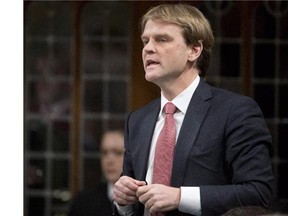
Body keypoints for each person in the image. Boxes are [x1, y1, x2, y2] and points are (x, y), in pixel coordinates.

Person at [112, 3, 274, 216]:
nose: (148, 48)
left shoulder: (235, 112)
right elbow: (132, 205)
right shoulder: (137, 120)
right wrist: (123, 203)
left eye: (162, 39)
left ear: (194, 50)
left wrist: (180, 197)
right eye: (145, 41)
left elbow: (259, 192)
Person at [68, 129, 124, 216]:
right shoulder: (83, 203)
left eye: (117, 153)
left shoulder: (141, 201)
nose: (109, 160)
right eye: (104, 153)